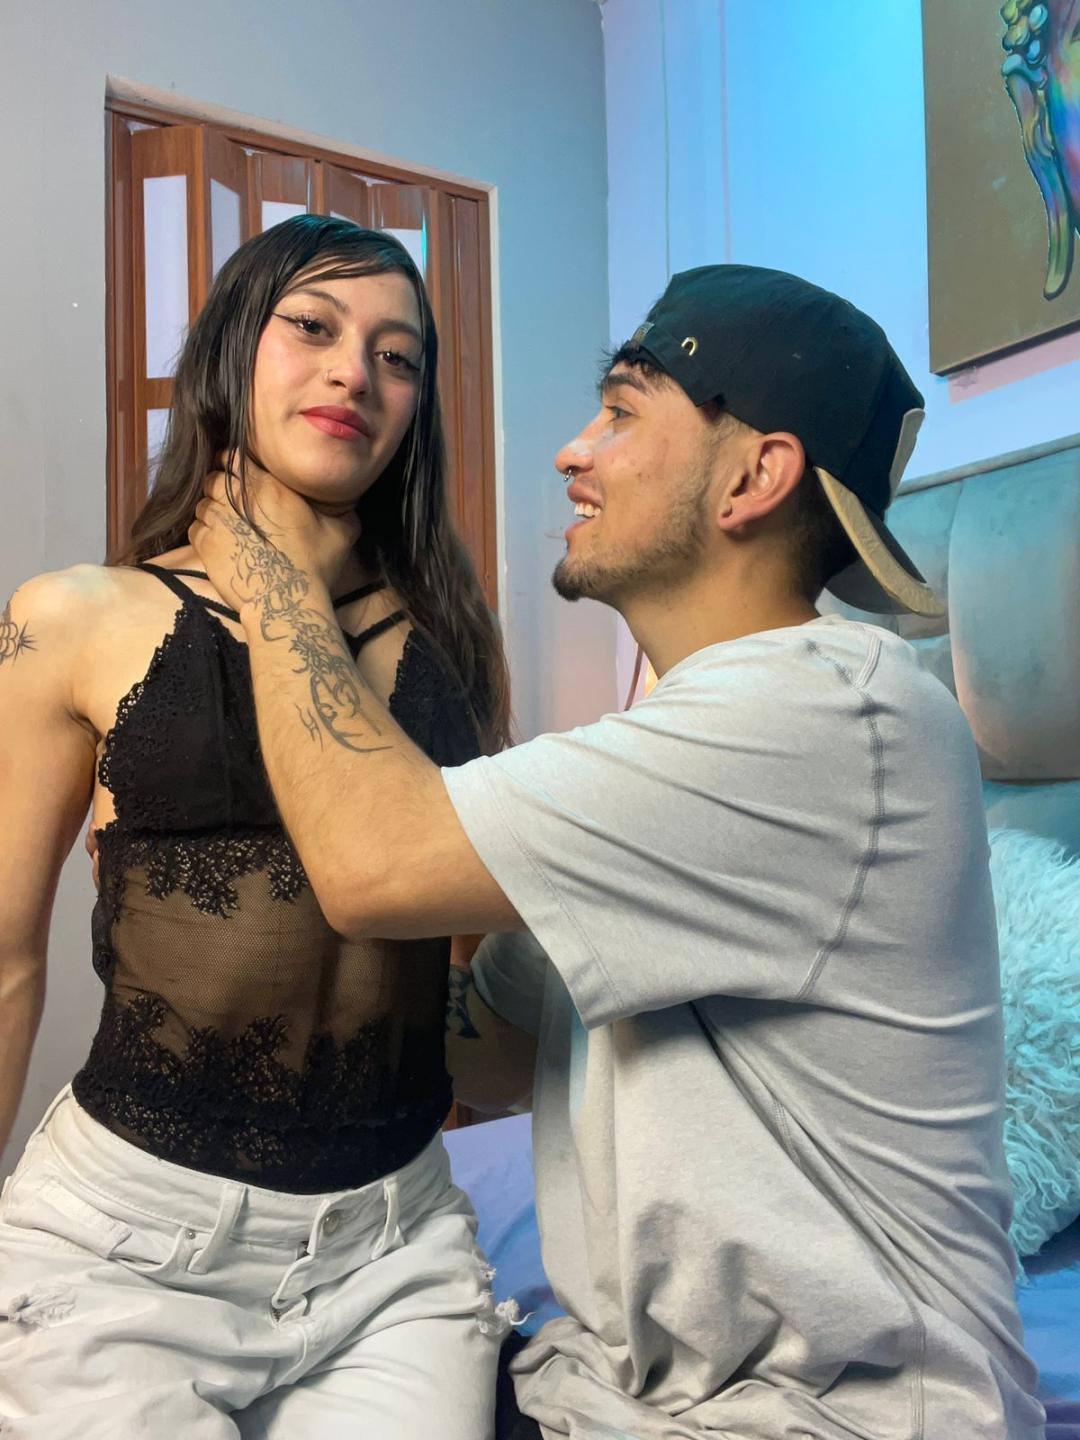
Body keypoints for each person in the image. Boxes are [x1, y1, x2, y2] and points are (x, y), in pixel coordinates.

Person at [188, 264, 1046, 1440]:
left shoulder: (826, 717)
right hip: (622, 1396)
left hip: (822, 1419)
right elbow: (491, 1052)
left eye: (622, 412)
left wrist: (269, 563)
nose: (572, 453)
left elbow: (373, 862)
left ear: (753, 477)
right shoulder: (667, 758)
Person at [0, 214, 516, 1438]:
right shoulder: (74, 617)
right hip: (127, 1245)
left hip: (394, 1249)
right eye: (313, 327)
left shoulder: (452, 634)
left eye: (398, 356)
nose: (356, 374)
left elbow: (464, 939)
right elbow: (4, 953)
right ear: (233, 351)